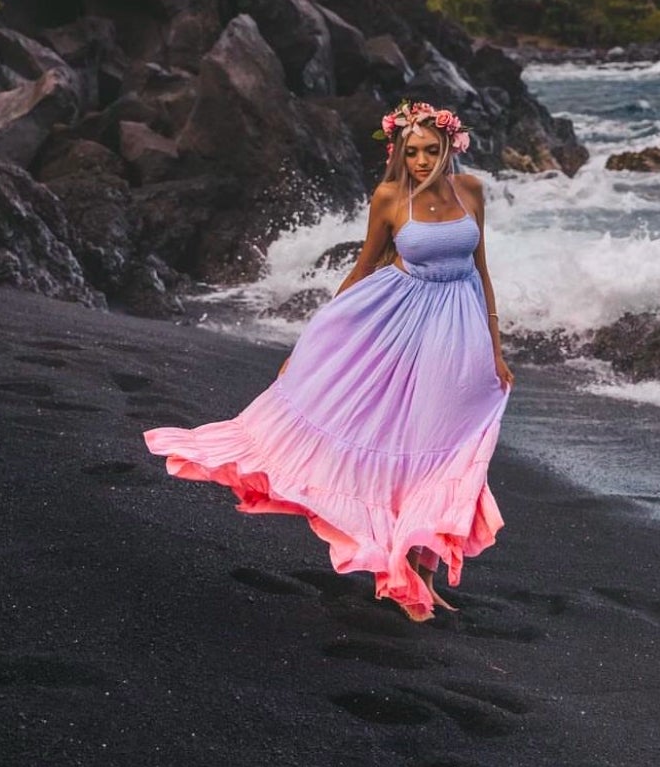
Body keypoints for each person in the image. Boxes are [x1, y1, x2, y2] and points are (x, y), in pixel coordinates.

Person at [143, 100, 514, 622]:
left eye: (433, 150)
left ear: (451, 146)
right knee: (404, 445)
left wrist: (495, 347)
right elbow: (364, 270)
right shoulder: (389, 197)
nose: (424, 161)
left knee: (448, 449)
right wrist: (312, 344)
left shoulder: (470, 190)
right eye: (413, 152)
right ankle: (399, 572)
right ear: (400, 153)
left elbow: (482, 268)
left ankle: (427, 574)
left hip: (461, 331)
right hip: (402, 326)